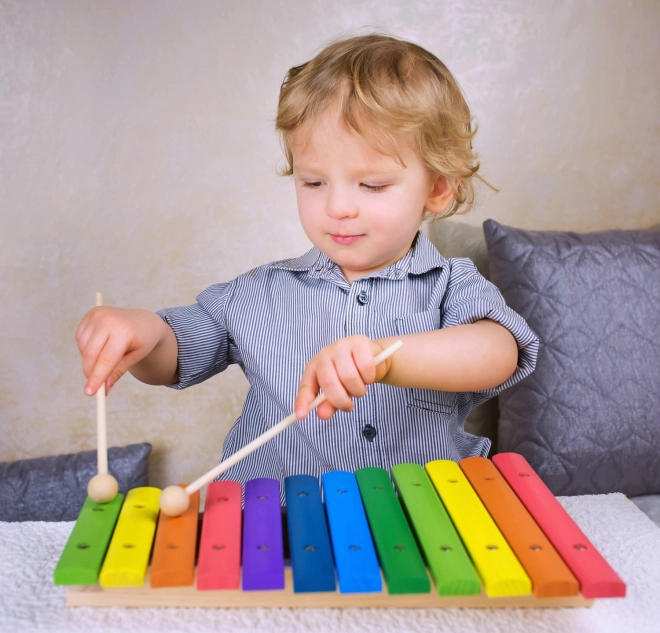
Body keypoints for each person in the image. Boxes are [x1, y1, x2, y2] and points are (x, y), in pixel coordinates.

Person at [76, 34, 538, 492]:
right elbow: (173, 356)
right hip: (276, 524)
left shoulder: (449, 286)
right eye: (314, 182)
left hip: (417, 521)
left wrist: (385, 358)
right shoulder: (257, 293)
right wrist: (142, 332)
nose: (338, 206)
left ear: (437, 188)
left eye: (372, 185)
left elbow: (499, 352)